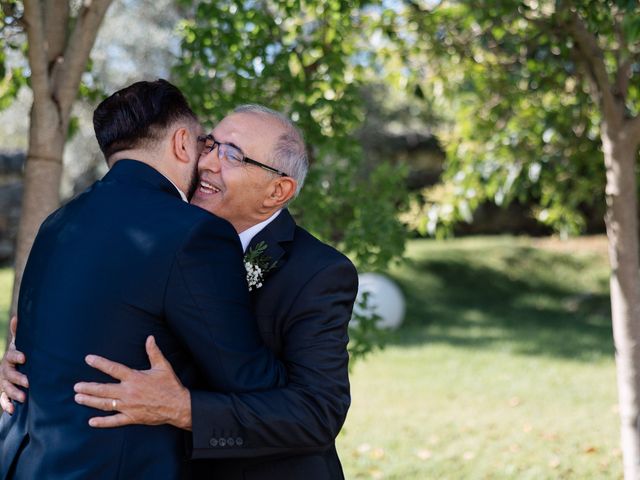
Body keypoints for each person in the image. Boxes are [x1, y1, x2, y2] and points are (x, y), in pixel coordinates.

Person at [2, 104, 359, 479]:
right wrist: (27, 363)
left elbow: (317, 414)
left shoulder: (318, 272)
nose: (206, 163)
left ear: (277, 190)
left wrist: (184, 409)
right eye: (209, 145)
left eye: (232, 155)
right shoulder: (157, 242)